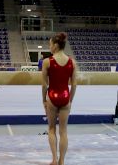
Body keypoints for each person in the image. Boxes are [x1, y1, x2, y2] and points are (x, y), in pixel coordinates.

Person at [42, 32, 77, 165]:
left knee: (51, 129)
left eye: (50, 44)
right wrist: (70, 100)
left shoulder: (47, 62)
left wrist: (43, 100)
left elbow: (44, 84)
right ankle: (62, 161)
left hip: (52, 96)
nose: (49, 47)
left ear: (56, 45)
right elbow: (74, 85)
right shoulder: (72, 62)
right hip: (65, 97)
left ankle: (54, 160)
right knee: (63, 131)